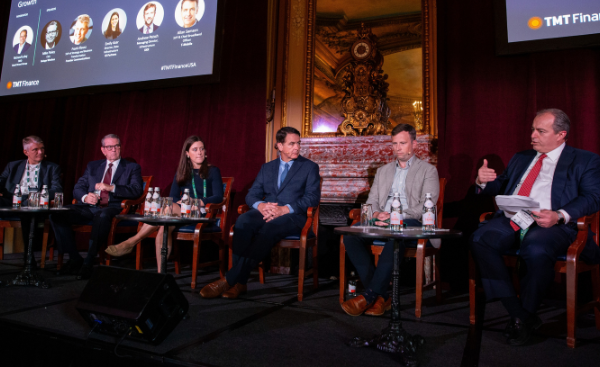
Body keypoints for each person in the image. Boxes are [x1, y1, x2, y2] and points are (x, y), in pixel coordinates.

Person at [470, 109, 600, 345]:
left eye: (540, 131)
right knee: (481, 239)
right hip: (515, 218)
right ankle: (520, 315)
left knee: (536, 248)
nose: (533, 135)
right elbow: (501, 185)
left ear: (561, 134)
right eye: (532, 129)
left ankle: (523, 316)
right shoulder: (521, 157)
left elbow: (592, 197)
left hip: (552, 222)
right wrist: (483, 181)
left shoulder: (585, 160)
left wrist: (559, 215)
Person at [200, 126, 320, 299]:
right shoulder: (267, 168)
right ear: (280, 145)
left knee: (268, 229)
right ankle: (240, 283)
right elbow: (252, 195)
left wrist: (284, 209)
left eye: (298, 143)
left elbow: (312, 198)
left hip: (294, 216)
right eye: (292, 143)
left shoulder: (309, 167)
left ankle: (230, 280)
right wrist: (261, 205)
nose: (297, 147)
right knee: (243, 222)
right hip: (267, 211)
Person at [340, 124, 439, 317]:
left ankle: (369, 295)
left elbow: (425, 206)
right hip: (382, 221)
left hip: (411, 221)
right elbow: (372, 202)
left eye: (402, 143)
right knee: (350, 236)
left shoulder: (428, 171)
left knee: (397, 233)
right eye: (394, 144)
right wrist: (377, 215)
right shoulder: (383, 171)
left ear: (414, 144)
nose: (398, 148)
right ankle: (382, 296)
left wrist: (396, 216)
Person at [104, 136, 223, 272]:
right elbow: (173, 196)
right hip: (180, 211)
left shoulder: (213, 171)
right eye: (195, 149)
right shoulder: (182, 172)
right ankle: (161, 273)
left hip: (201, 211)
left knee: (167, 213)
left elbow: (218, 197)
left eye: (202, 149)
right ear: (187, 153)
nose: (199, 152)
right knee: (163, 227)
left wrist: (199, 201)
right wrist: (183, 202)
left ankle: (132, 241)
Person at [50, 134, 143, 280]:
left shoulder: (131, 167)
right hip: (89, 206)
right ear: (103, 150)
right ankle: (74, 258)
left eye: (117, 146)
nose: (114, 149)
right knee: (57, 213)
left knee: (102, 215)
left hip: (112, 207)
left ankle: (88, 261)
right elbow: (78, 188)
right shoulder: (93, 166)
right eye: (110, 147)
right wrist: (85, 197)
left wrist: (111, 187)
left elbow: (136, 190)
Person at [0, 136, 62, 267]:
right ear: (26, 152)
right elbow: (1, 182)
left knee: (27, 212)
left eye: (42, 149)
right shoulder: (13, 166)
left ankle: (28, 256)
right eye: (36, 149)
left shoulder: (52, 167)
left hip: (34, 203)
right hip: (12, 201)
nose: (40, 152)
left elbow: (57, 189)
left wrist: (39, 196)